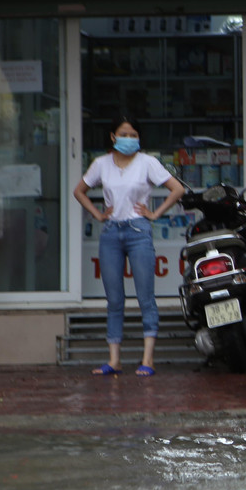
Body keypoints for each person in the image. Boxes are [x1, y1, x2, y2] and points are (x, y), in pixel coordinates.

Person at [74, 116, 185, 377]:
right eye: (124, 134)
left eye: (134, 134)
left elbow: (176, 189)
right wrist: (98, 215)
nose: (130, 139)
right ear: (113, 137)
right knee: (114, 300)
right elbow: (79, 190)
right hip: (111, 232)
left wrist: (155, 213)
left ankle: (148, 359)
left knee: (146, 297)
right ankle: (114, 361)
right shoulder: (101, 164)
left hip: (138, 230)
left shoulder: (147, 162)